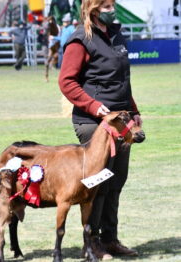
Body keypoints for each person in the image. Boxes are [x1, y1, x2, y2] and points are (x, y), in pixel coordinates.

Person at [58, 0, 143, 260]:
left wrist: (134, 111)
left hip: (121, 121)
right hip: (93, 123)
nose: (111, 9)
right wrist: (94, 107)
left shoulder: (117, 35)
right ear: (93, 8)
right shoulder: (80, 40)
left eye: (112, 4)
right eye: (105, 6)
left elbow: (121, 81)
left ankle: (110, 239)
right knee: (98, 185)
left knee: (116, 182)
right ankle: (91, 243)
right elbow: (66, 81)